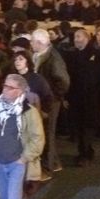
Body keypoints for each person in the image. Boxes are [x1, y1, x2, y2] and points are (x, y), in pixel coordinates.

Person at [30, 28, 69, 173]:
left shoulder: (53, 58)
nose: (31, 44)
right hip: (43, 99)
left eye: (33, 41)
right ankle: (53, 161)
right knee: (44, 131)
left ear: (39, 42)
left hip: (50, 100)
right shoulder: (40, 55)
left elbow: (63, 81)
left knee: (47, 131)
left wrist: (53, 96)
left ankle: (49, 164)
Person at [64, 28, 100, 164]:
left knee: (87, 125)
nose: (76, 39)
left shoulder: (97, 54)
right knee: (79, 126)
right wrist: (66, 96)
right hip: (76, 97)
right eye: (75, 37)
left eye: (79, 36)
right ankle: (85, 151)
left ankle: (85, 154)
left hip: (91, 97)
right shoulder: (72, 56)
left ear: (86, 38)